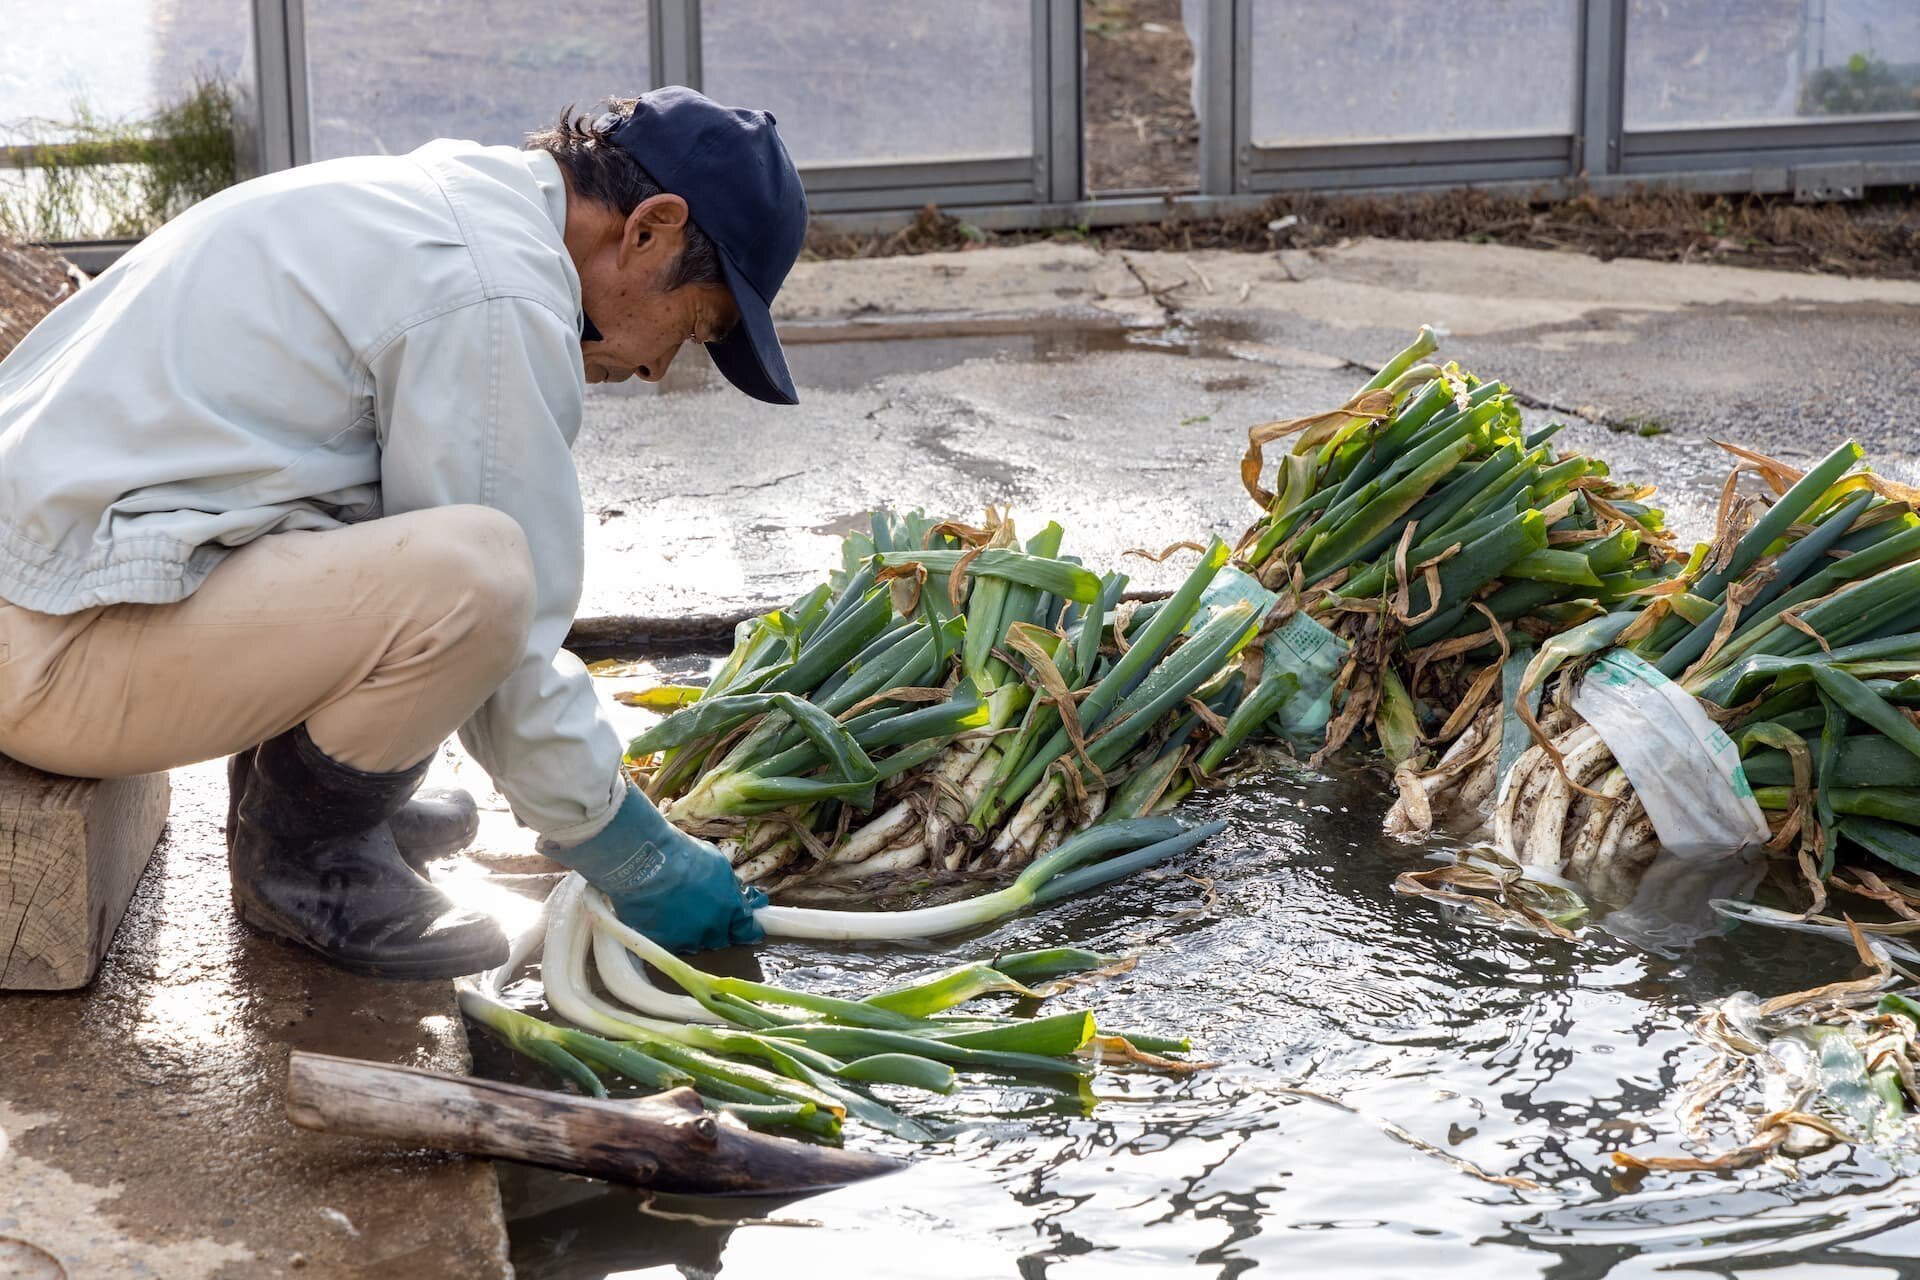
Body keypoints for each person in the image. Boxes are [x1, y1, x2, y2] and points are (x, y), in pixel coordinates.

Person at [0, 87, 805, 979]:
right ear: (649, 228)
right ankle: (307, 860)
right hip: (50, 653)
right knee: (484, 574)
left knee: (408, 514)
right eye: (694, 326)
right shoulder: (493, 291)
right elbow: (514, 649)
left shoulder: (447, 199)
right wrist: (628, 848)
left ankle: (329, 805)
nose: (658, 368)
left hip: (51, 591)